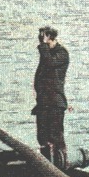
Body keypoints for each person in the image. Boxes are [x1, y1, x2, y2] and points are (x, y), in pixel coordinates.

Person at [32, 25, 70, 168]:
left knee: (55, 137)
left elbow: (50, 63)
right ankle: (47, 167)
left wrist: (43, 46)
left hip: (55, 103)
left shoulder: (61, 53)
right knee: (42, 137)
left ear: (51, 38)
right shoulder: (47, 53)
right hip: (43, 103)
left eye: (44, 39)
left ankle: (61, 168)